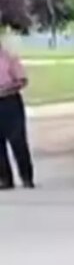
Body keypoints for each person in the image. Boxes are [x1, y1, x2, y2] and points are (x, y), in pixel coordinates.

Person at [0, 40, 33, 190]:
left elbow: (22, 80)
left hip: (10, 101)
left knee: (17, 140)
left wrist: (7, 89)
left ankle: (26, 177)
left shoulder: (8, 57)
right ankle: (5, 179)